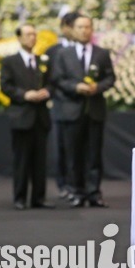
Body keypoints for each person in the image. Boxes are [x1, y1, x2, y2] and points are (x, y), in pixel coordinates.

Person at [52, 15, 116, 208]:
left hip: (94, 111)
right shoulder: (64, 54)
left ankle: (94, 193)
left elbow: (110, 78)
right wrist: (75, 87)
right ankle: (76, 191)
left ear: (92, 29)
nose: (84, 30)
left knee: (94, 155)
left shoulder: (101, 53)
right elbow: (58, 80)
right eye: (80, 27)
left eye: (87, 27)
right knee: (73, 155)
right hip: (71, 111)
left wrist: (97, 87)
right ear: (73, 30)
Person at [0, 24, 54, 210]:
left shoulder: (43, 60)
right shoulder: (10, 61)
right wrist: (25, 95)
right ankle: (20, 198)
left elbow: (53, 83)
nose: (32, 37)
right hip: (21, 116)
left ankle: (39, 197)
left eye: (34, 34)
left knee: (40, 161)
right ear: (20, 38)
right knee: (21, 160)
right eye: (28, 34)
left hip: (41, 117)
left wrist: (47, 91)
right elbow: (6, 86)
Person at [45, 11, 80, 199]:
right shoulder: (52, 52)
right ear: (64, 28)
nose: (78, 30)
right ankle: (64, 184)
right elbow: (47, 79)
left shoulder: (89, 51)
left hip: (83, 108)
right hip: (60, 107)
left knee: (80, 150)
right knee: (61, 149)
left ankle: (79, 186)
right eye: (75, 26)